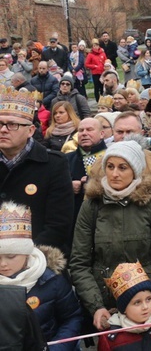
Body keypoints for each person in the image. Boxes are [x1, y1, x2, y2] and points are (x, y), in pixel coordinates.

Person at [69, 140, 151, 332]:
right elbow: (79, 263)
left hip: (147, 306)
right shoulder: (92, 205)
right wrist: (96, 306)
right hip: (107, 306)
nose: (114, 174)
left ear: (135, 170)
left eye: (122, 167)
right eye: (110, 167)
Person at [0, 201, 82, 350]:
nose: (3, 264)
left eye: (11, 256)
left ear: (26, 253)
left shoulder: (51, 280)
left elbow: (72, 318)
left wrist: (57, 348)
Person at [0, 89, 74, 253]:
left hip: (36, 260)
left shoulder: (54, 164)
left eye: (12, 124)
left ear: (31, 130)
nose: (3, 129)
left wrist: (23, 258)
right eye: (0, 124)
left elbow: (58, 225)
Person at [66, 117, 108, 220]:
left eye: (89, 130)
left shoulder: (110, 157)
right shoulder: (66, 158)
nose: (84, 133)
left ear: (102, 134)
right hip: (74, 216)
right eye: (81, 130)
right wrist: (67, 186)